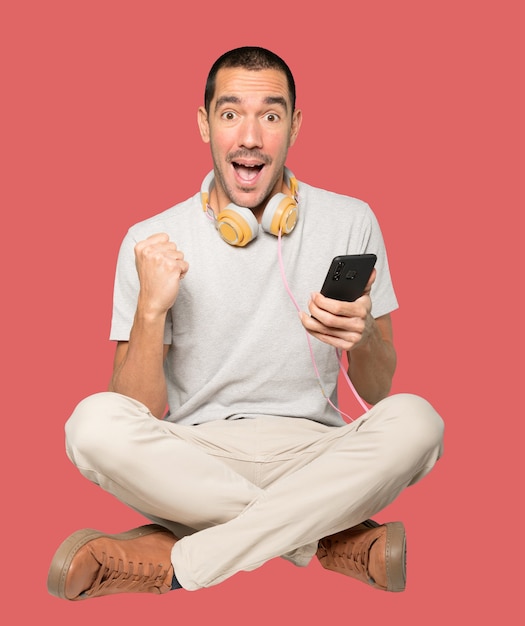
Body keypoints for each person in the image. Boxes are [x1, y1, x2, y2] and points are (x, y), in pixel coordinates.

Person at [47, 46, 444, 601]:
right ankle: (324, 538)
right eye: (231, 113)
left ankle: (184, 563)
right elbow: (132, 410)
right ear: (204, 124)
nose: (250, 137)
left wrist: (366, 334)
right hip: (196, 460)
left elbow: (378, 391)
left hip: (319, 455)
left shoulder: (352, 220)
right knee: (90, 425)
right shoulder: (151, 239)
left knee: (419, 422)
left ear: (295, 126)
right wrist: (151, 310)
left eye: (271, 115)